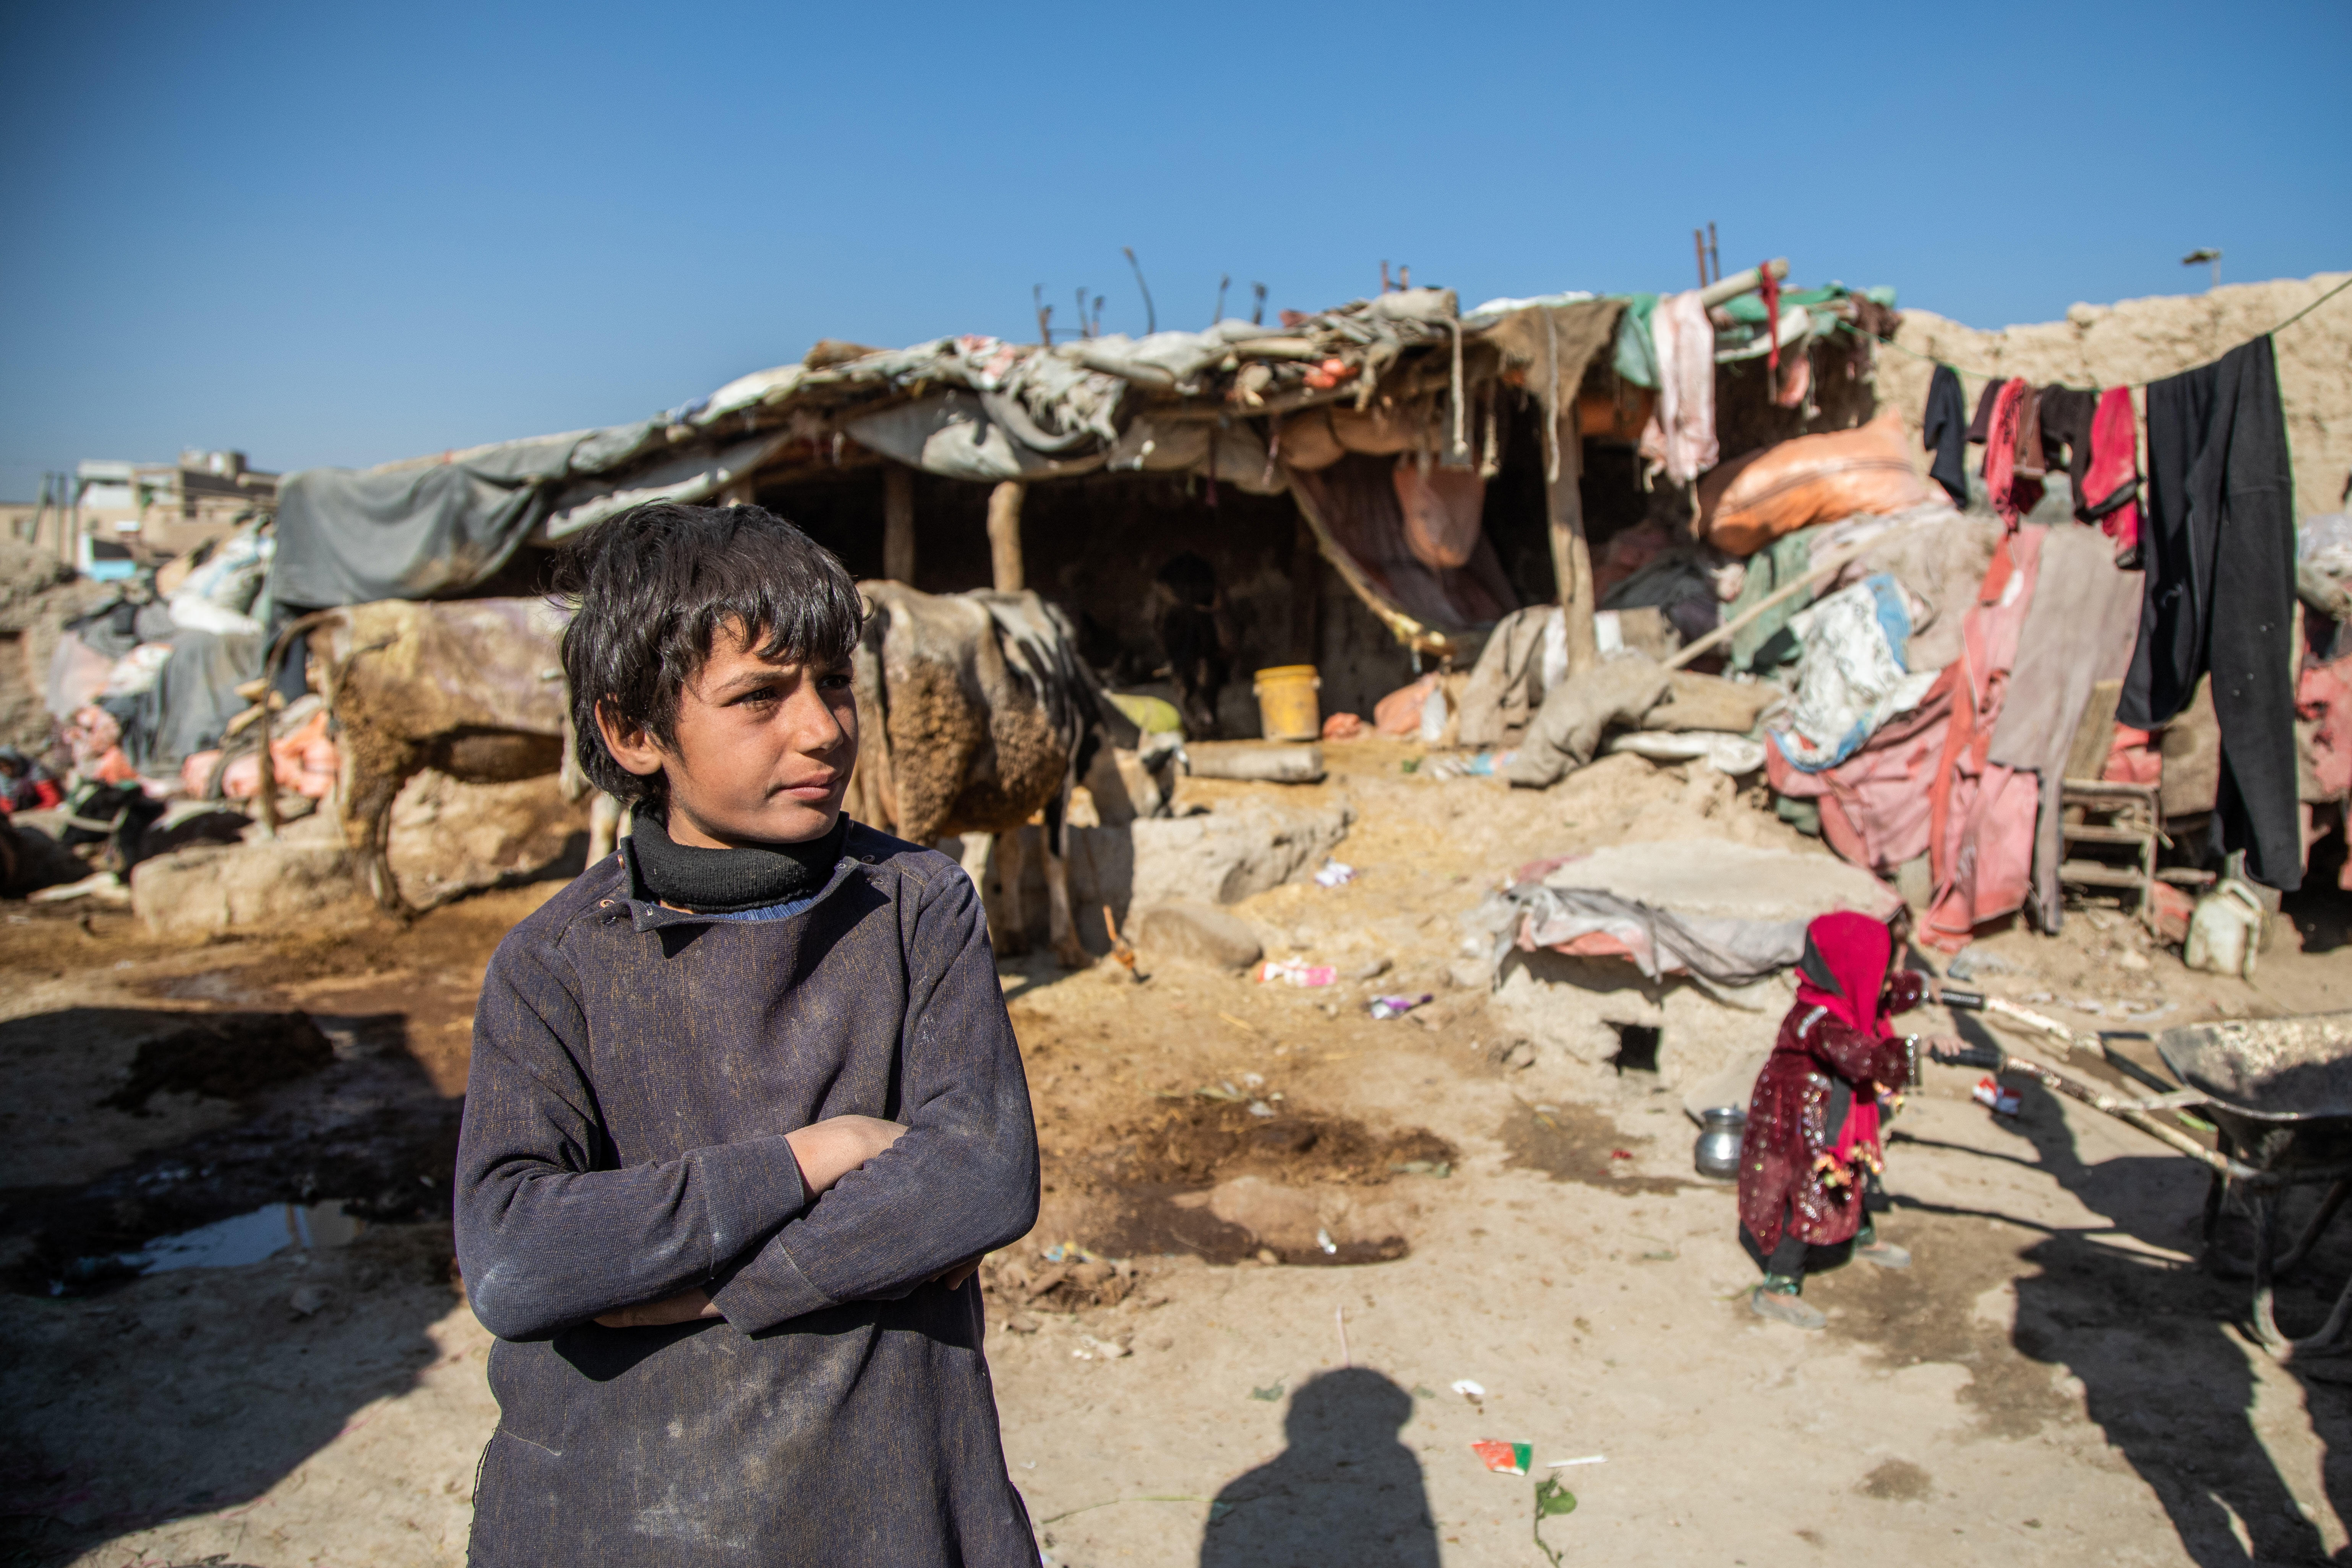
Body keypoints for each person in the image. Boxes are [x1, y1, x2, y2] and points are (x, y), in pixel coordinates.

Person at [453, 502, 1043, 1566]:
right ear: (634, 730)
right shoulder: (552, 964)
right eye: (759, 696)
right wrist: (813, 1157)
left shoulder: (917, 904)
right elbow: (517, 1258)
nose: (820, 727)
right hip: (623, 1509)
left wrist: (700, 1287)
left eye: (832, 682)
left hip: (889, 1491)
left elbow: (981, 1178)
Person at [1737, 909, 1955, 1330]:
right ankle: (1779, 1287)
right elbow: (1864, 1056)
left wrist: (1927, 990)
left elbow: (1886, 992)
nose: (1888, 974)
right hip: (1800, 1122)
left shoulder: (1843, 997)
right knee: (1807, 1191)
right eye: (1882, 964)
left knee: (1852, 1170)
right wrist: (1922, 1047)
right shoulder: (1818, 1019)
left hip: (1834, 1110)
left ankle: (1859, 1233)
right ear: (1849, 965)